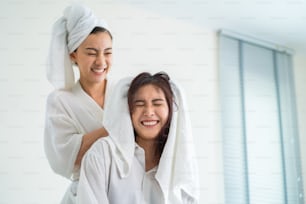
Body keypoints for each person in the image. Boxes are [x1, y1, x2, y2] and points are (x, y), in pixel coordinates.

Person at [77, 72, 199, 204]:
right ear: (128, 110)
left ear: (171, 111)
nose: (149, 112)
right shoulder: (102, 155)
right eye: (140, 104)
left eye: (157, 103)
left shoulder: (181, 165)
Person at [44, 3, 113, 204]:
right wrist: (116, 128)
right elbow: (64, 156)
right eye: (92, 53)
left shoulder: (125, 93)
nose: (101, 61)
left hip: (129, 191)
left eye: (108, 52)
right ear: (73, 55)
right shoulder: (60, 101)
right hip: (84, 195)